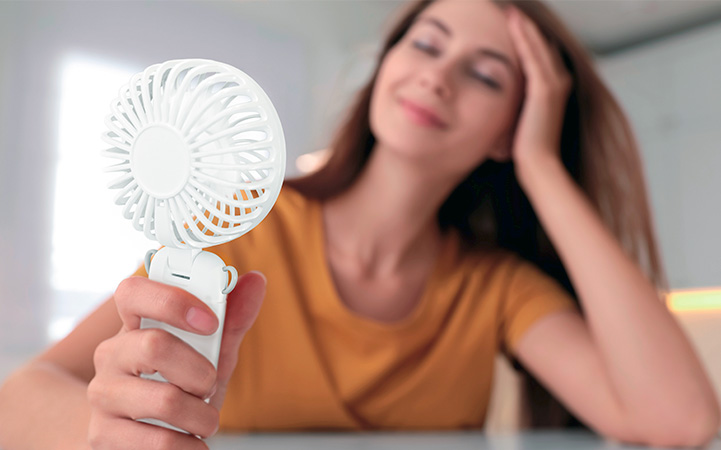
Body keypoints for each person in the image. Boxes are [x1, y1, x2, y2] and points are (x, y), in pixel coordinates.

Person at [1, 0, 719, 448]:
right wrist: (104, 429)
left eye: (486, 75)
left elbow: (680, 422)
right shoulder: (241, 231)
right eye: (427, 44)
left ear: (513, 126)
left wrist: (542, 166)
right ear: (386, 65)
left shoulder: (495, 289)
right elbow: (19, 398)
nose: (437, 77)